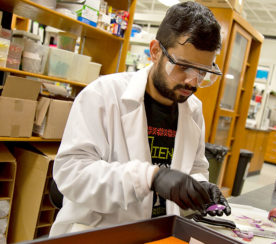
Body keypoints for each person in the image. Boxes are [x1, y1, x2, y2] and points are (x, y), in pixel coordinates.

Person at [50, 1, 231, 236]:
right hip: (98, 233)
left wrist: (200, 187)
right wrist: (150, 177)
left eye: (203, 71)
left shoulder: (192, 109)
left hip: (160, 233)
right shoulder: (102, 96)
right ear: (155, 51)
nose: (192, 82)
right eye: (183, 66)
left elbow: (195, 167)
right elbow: (71, 175)